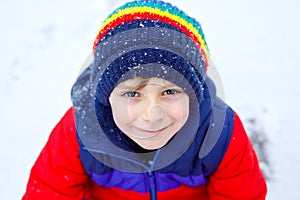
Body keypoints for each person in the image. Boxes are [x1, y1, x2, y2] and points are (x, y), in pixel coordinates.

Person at [22, 0, 267, 199]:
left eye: (170, 92)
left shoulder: (218, 131)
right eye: (132, 94)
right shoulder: (81, 129)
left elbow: (241, 194)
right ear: (105, 95)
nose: (152, 115)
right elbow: (50, 192)